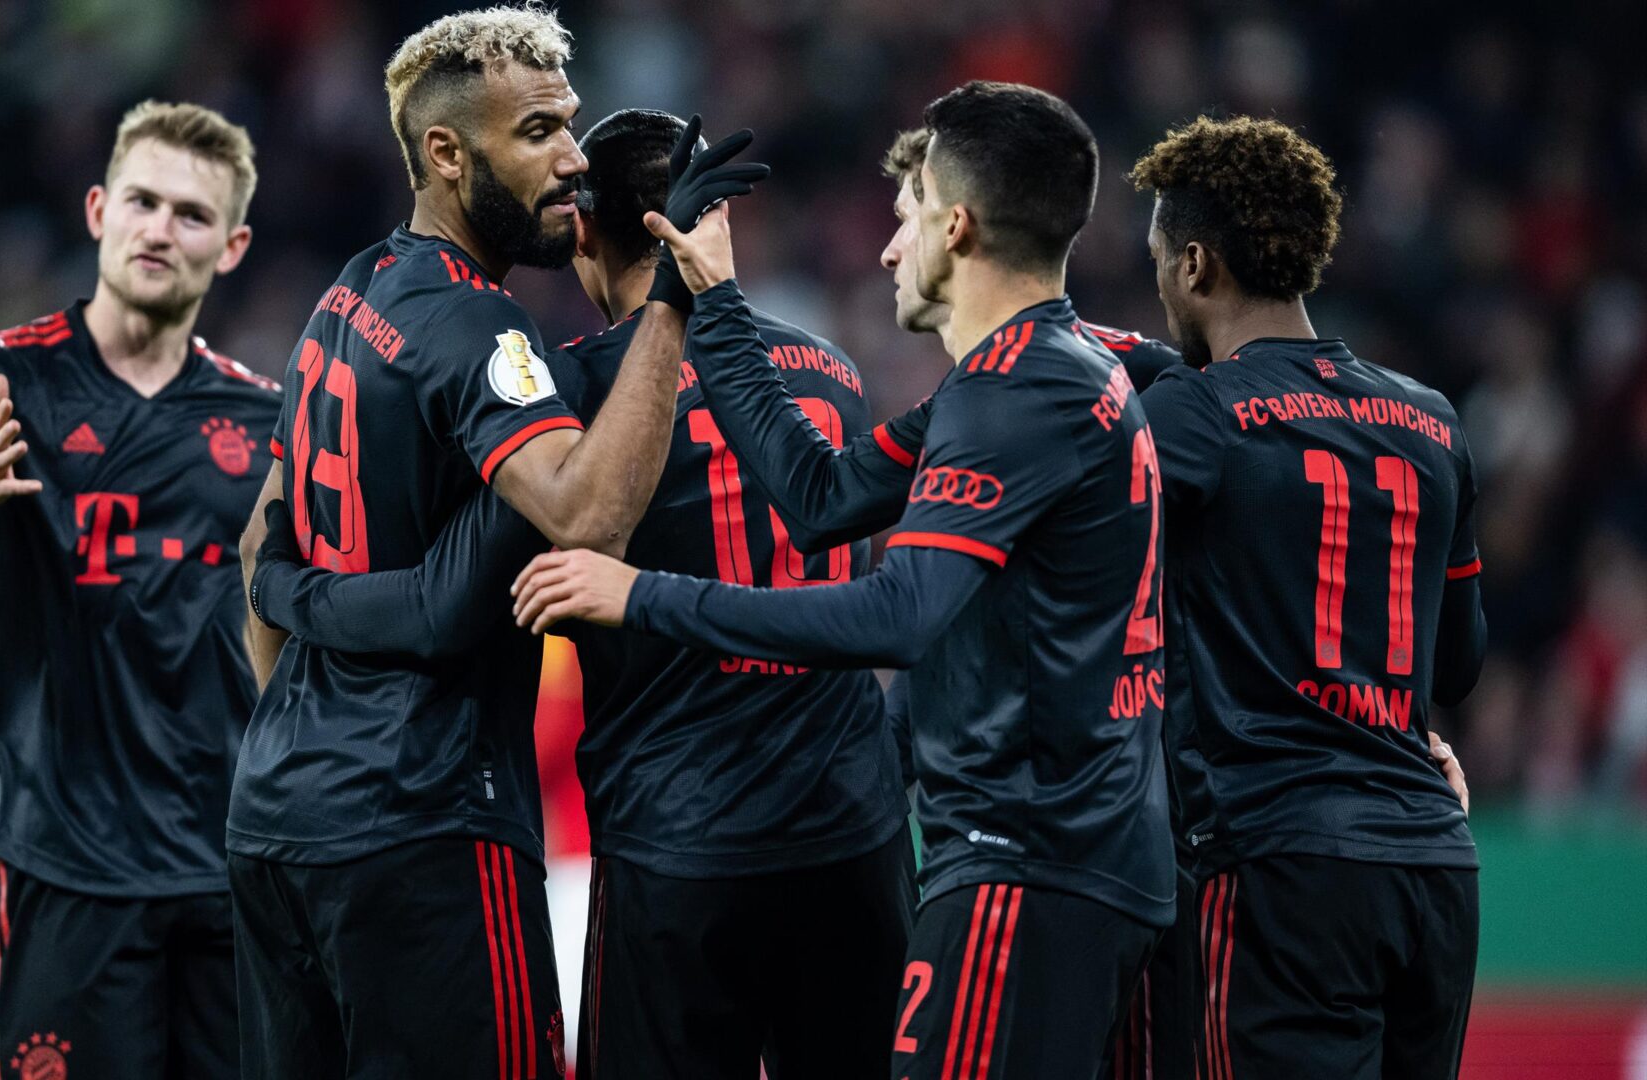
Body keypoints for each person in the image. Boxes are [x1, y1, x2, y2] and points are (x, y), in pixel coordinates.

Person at [511, 81, 1175, 1080]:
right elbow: (820, 500)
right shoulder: (1022, 371)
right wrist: (716, 302)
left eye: (905, 218)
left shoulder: (1013, 392)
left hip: (1008, 860)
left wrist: (637, 595)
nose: (885, 248)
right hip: (937, 842)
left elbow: (901, 613)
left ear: (957, 225)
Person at [248, 107, 911, 1078]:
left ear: (591, 229)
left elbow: (450, 596)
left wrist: (293, 597)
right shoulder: (834, 373)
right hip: (854, 828)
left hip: (679, 839)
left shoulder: (576, 398)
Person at [224, 8, 765, 1077]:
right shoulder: (482, 328)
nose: (573, 161)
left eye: (568, 126)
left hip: (278, 822)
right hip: (426, 830)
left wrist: (315, 741)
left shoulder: (344, 297)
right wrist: (673, 300)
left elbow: (259, 554)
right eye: (536, 135)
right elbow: (589, 515)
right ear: (444, 152)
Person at [0, 100, 274, 1080]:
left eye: (191, 214)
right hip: (65, 865)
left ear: (232, 247)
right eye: (142, 201)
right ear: (98, 210)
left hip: (228, 868)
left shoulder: (265, 419)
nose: (159, 229)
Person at [1130, 115, 1487, 1080]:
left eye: (1161, 258)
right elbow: (1458, 662)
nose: (1159, 283)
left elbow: (1092, 581)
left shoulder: (1192, 414)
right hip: (1432, 866)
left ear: (1197, 264)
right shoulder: (1431, 418)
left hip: (1278, 866)